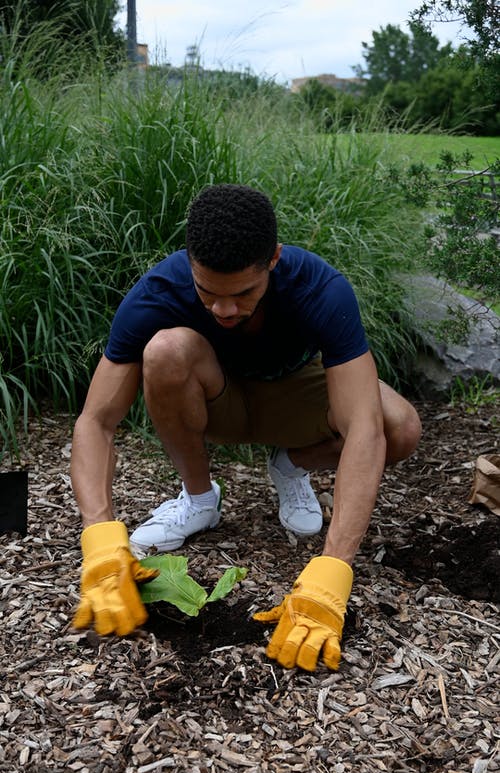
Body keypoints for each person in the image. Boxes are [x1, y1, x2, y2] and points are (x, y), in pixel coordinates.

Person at [70, 183, 421, 671]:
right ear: (190, 263)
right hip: (218, 400)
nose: (224, 310)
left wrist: (331, 573)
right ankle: (198, 499)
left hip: (295, 397)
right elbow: (96, 420)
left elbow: (363, 427)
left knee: (398, 426)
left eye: (243, 293)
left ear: (273, 260)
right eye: (208, 293)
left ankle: (291, 463)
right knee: (165, 350)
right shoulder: (159, 292)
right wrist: (100, 539)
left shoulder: (319, 288)